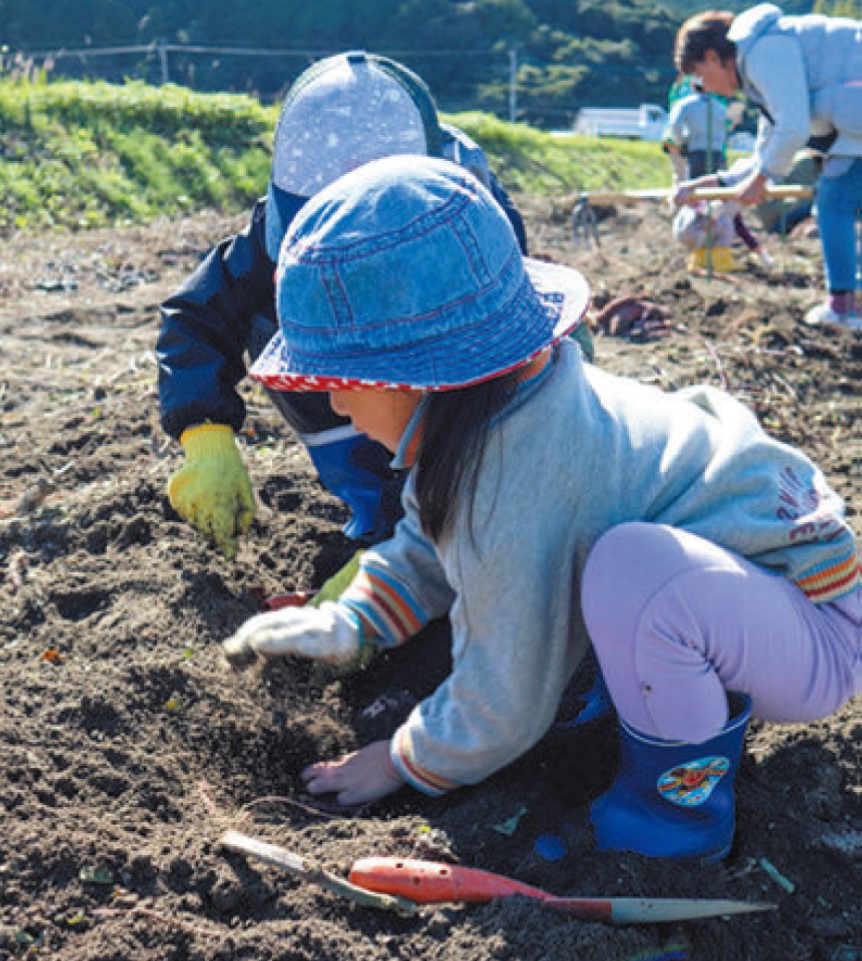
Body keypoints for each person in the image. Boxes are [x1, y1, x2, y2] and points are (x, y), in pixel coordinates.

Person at [222, 155, 861, 861]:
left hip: (814, 628)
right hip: (746, 596)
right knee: (624, 583)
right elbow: (430, 544)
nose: (334, 402)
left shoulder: (516, 482)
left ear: (420, 374)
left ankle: (675, 815)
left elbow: (507, 698)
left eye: (343, 379)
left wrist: (402, 759)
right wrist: (352, 620)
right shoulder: (502, 411)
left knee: (633, 576)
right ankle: (659, 695)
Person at [156, 50, 529, 558]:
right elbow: (197, 315)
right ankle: (372, 503)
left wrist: (399, 557)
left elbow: (493, 383)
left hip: (466, 404)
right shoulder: (289, 214)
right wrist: (205, 434)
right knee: (281, 324)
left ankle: (412, 521)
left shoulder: (466, 220)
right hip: (381, 423)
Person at [673, 4, 862, 329]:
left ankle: (845, 308)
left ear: (713, 57)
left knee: (835, 201)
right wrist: (710, 184)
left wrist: (760, 180)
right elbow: (768, 150)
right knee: (838, 200)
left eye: (700, 78)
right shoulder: (758, 68)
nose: (706, 89)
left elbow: (793, 129)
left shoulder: (763, 52)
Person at [664, 80, 771, 270]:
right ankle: (714, 246)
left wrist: (682, 143)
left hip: (697, 154)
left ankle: (700, 245)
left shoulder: (685, 104)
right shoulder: (720, 108)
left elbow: (675, 126)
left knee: (698, 201)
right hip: (717, 155)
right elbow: (726, 129)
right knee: (724, 202)